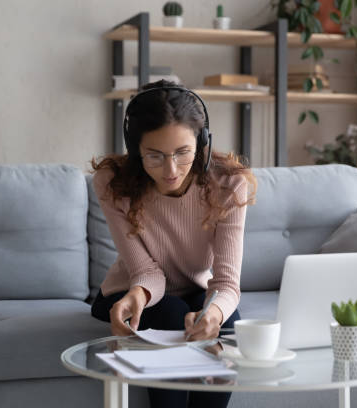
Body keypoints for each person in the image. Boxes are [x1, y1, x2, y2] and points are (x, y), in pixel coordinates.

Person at [90, 79, 257, 408]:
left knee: (228, 322)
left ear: (202, 140)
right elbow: (145, 270)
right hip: (135, 288)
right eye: (154, 156)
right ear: (135, 149)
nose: (170, 170)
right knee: (171, 313)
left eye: (183, 153)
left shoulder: (229, 183)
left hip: (194, 289)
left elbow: (225, 283)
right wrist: (137, 295)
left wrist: (215, 314)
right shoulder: (113, 183)